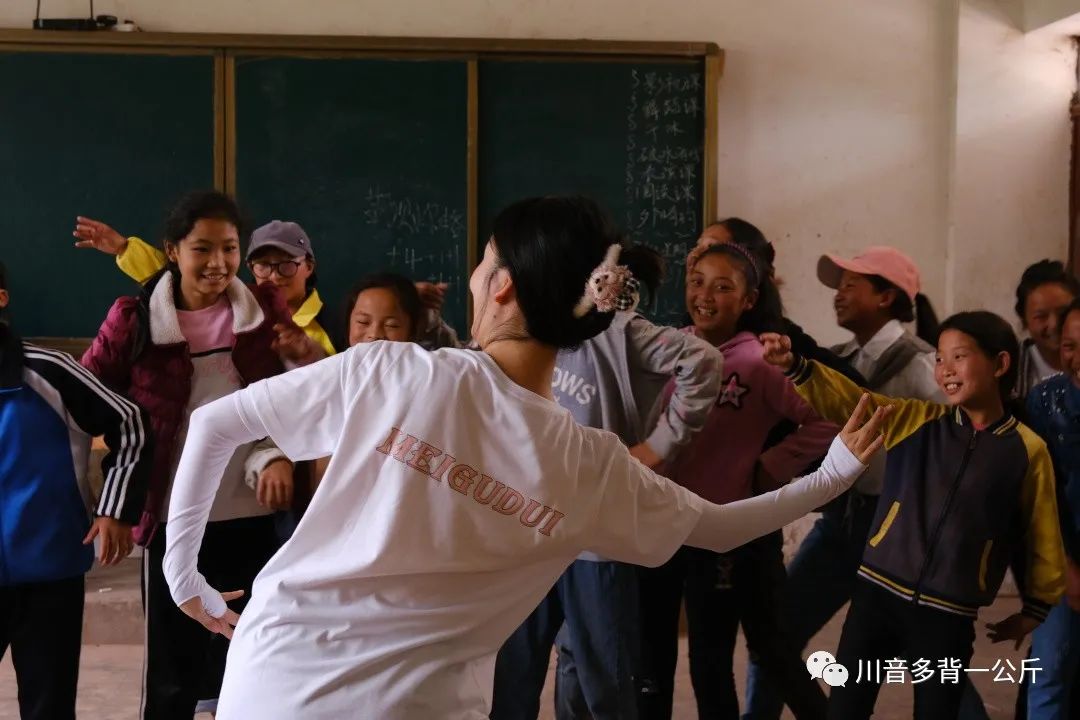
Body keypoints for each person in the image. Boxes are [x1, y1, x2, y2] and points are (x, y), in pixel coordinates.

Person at [162, 196, 891, 719]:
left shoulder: (393, 370)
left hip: (276, 681)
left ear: (502, 285)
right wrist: (833, 474)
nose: (476, 281)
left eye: (483, 268)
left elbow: (215, 427)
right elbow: (723, 527)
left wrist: (183, 573)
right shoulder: (590, 465)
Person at [761, 311, 1066, 719]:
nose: (946, 370)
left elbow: (1042, 531)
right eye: (939, 359)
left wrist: (1037, 605)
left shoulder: (1028, 451)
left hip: (948, 615)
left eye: (959, 357)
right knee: (845, 708)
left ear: (1000, 364)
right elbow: (852, 402)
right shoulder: (916, 420)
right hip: (875, 597)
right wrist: (798, 369)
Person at [80, 190, 312, 719]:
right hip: (173, 513)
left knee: (255, 651)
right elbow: (89, 396)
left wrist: (277, 450)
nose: (218, 263)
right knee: (172, 667)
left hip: (251, 510)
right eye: (202, 249)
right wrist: (116, 503)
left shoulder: (262, 312)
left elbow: (300, 395)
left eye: (229, 249)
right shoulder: (134, 318)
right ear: (171, 251)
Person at [491, 244, 723, 720]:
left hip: (596, 541)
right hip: (529, 531)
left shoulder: (622, 335)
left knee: (599, 673)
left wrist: (659, 445)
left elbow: (703, 361)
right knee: (513, 668)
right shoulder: (531, 327)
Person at [637, 239, 837, 720]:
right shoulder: (670, 348)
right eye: (697, 282)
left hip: (719, 533)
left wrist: (770, 466)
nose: (706, 295)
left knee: (710, 659)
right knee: (651, 656)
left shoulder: (757, 361)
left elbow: (827, 419)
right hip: (661, 526)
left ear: (748, 300)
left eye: (723, 287)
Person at [745, 245, 944, 720]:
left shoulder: (923, 363)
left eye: (853, 283)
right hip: (844, 522)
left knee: (928, 658)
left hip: (899, 533)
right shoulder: (834, 361)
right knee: (775, 634)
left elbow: (949, 446)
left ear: (887, 296)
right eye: (839, 285)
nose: (839, 294)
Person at [0, 260, 152, 720]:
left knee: (48, 705)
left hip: (50, 573)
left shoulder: (49, 371)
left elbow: (130, 423)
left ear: (1, 299)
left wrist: (116, 509)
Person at [75, 216, 338, 356]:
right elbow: (176, 277)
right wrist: (124, 248)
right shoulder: (242, 309)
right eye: (263, 265)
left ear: (309, 266)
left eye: (287, 265)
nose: (275, 276)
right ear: (249, 269)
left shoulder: (336, 326)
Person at [1022, 298, 1080, 718]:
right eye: (1070, 346)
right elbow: (1036, 497)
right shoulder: (1045, 402)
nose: (1077, 359)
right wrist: (1066, 568)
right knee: (1050, 670)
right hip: (1060, 559)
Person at [1013, 259, 1080, 400]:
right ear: (1025, 321)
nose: (1054, 324)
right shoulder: (1012, 365)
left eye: (1063, 312)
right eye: (1041, 316)